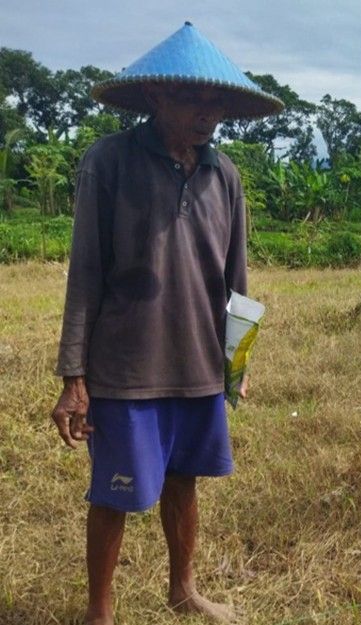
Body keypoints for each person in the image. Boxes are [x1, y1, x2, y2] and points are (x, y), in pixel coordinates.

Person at [49, 23, 282, 625]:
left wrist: (239, 362)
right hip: (127, 365)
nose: (208, 114)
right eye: (191, 99)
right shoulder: (110, 162)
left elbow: (238, 281)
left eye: (216, 103)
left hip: (201, 362)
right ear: (156, 98)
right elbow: (86, 273)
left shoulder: (223, 174)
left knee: (185, 482)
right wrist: (74, 374)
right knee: (114, 493)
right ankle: (99, 611)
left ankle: (183, 589)